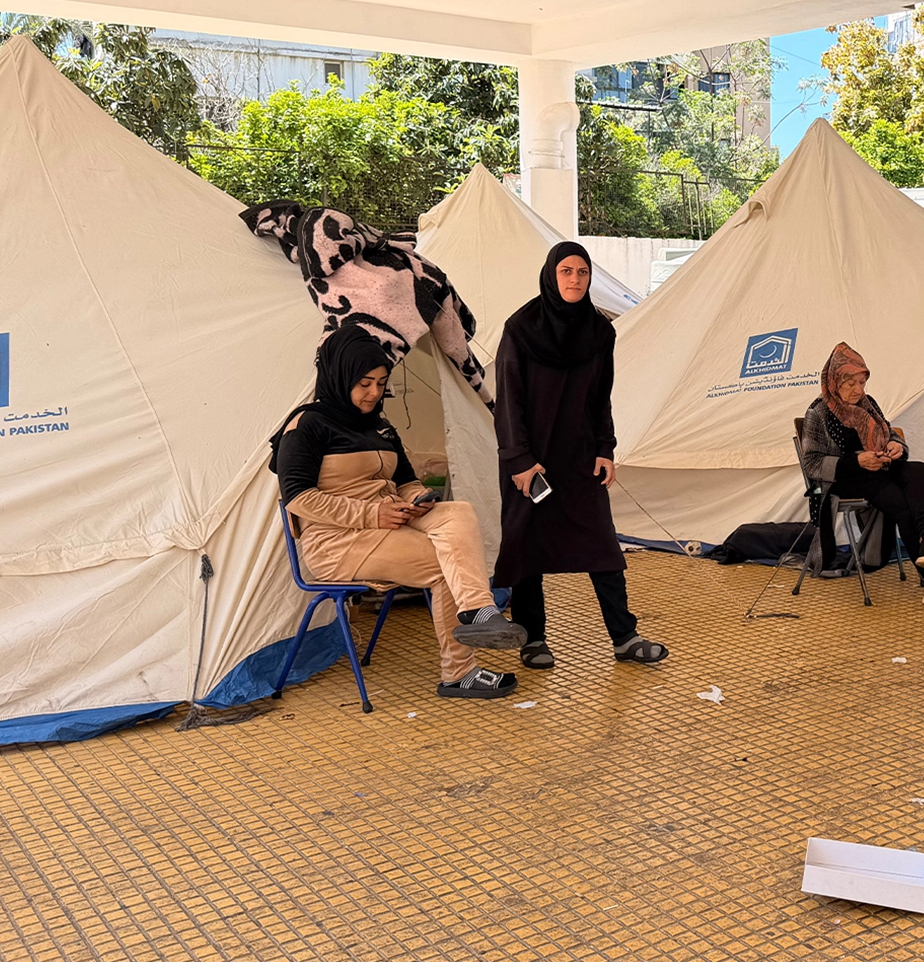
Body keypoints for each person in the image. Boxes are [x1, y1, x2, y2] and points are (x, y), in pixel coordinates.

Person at [272, 325, 527, 700]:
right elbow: (298, 498)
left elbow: (406, 480)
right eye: (364, 384)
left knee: (458, 512)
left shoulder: (379, 426)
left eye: (381, 383)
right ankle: (460, 673)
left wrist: (418, 498)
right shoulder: (307, 425)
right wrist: (372, 515)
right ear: (340, 376)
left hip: (390, 521)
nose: (374, 393)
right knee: (445, 564)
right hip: (337, 543)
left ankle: (479, 612)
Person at [493, 241, 668, 670]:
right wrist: (518, 459)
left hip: (579, 458)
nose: (574, 280)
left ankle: (624, 636)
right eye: (566, 272)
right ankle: (533, 639)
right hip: (530, 460)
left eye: (582, 272)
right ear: (552, 275)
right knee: (528, 544)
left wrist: (606, 448)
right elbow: (508, 398)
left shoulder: (599, 331)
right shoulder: (521, 328)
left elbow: (599, 398)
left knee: (601, 544)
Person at [798, 342, 924, 612]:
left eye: (862, 383)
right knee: (902, 507)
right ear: (834, 382)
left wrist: (896, 446)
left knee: (918, 469)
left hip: (878, 470)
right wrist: (856, 461)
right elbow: (812, 464)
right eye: (851, 384)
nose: (859, 390)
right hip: (845, 480)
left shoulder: (868, 404)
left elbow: (887, 433)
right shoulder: (817, 414)